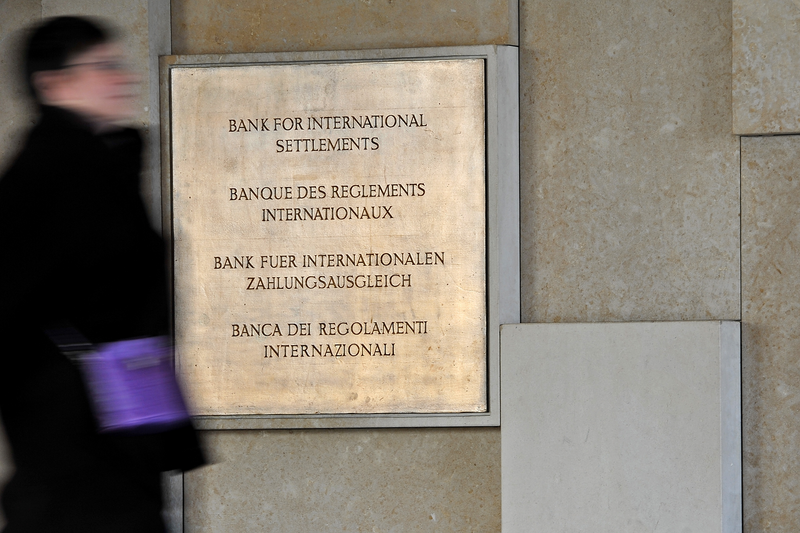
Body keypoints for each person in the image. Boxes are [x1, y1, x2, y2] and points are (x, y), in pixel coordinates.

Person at [0, 16, 203, 533]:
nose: (123, 78)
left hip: (109, 434)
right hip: (78, 446)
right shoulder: (50, 177)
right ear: (53, 84)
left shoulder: (98, 164)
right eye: (104, 67)